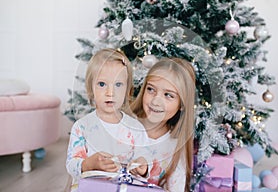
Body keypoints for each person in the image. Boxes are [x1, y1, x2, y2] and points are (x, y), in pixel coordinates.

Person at [66, 48, 148, 191]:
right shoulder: (82, 127)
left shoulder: (136, 128)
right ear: (91, 90)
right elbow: (71, 166)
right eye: (102, 84)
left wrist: (143, 168)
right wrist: (88, 164)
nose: (110, 93)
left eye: (118, 85)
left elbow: (145, 162)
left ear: (127, 91)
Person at [131, 58, 196, 192]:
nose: (156, 101)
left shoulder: (175, 147)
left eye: (168, 95)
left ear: (182, 105)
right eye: (151, 89)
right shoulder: (124, 125)